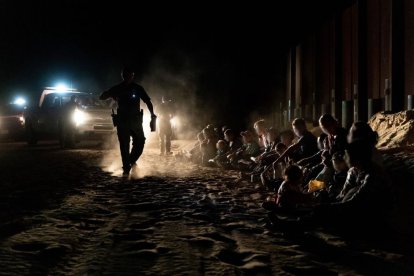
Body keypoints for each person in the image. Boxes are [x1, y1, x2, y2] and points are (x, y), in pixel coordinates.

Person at [100, 67, 156, 175]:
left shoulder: (138, 88)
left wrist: (152, 114)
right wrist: (111, 95)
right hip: (123, 120)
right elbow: (102, 97)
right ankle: (126, 167)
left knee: (140, 142)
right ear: (123, 76)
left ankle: (130, 161)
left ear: (132, 76)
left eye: (130, 76)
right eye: (127, 76)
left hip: (135, 120)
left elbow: (148, 101)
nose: (129, 78)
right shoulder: (118, 88)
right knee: (124, 144)